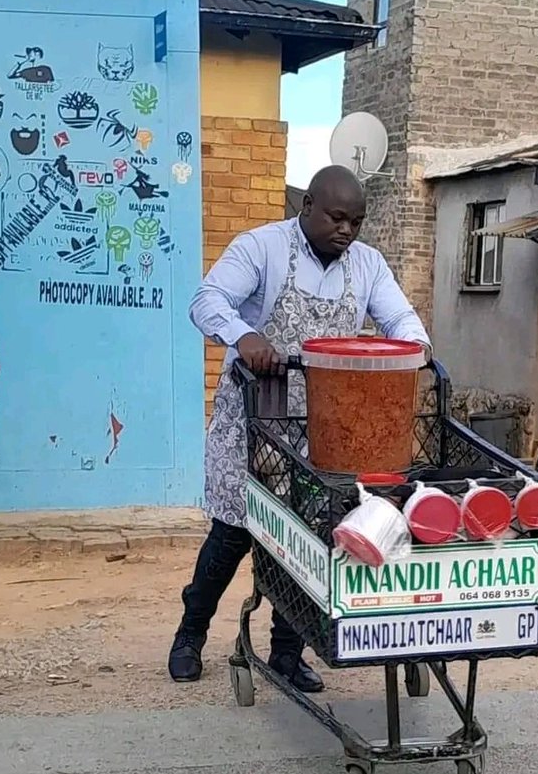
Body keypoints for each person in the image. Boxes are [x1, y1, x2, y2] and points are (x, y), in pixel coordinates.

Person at [168, 165, 430, 690]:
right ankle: (191, 634)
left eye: (356, 221)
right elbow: (207, 301)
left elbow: (400, 320)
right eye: (337, 217)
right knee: (233, 534)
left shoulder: (368, 266)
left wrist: (415, 349)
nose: (347, 231)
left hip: (325, 431)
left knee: (307, 541)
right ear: (306, 205)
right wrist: (244, 336)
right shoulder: (262, 248)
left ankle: (286, 652)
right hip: (255, 423)